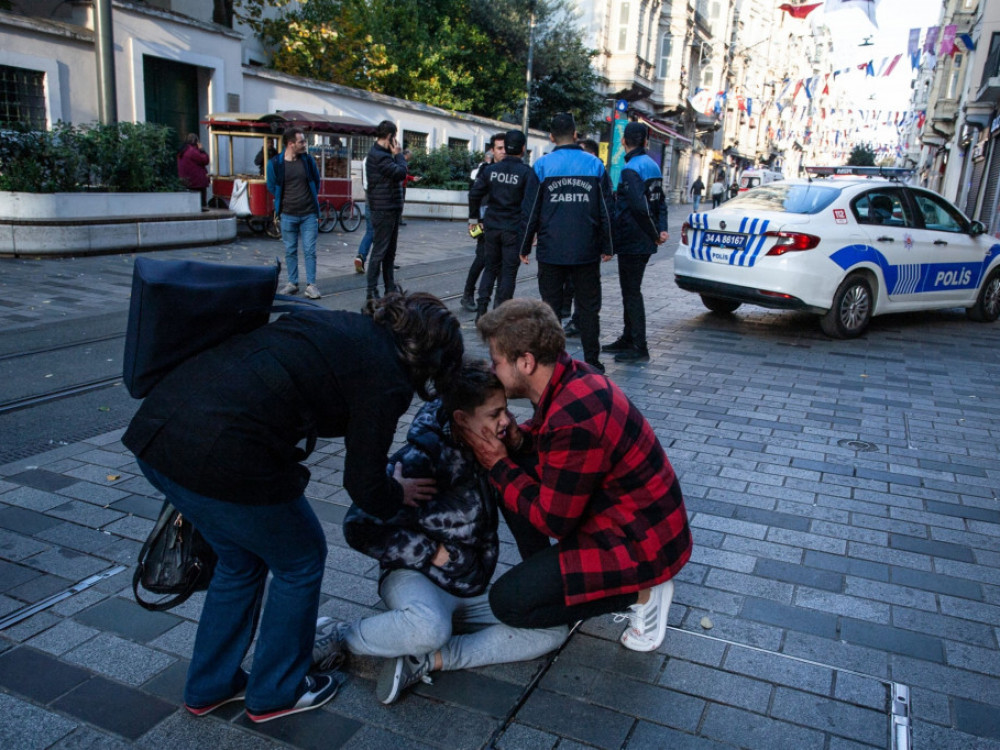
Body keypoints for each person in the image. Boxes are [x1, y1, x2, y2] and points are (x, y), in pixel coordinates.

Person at [122, 292, 463, 723]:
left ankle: (210, 686)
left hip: (159, 431)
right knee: (300, 559)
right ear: (432, 357)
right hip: (223, 453)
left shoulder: (341, 325)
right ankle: (276, 691)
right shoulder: (387, 376)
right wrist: (397, 493)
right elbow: (363, 486)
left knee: (240, 560)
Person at [311, 361, 567, 704]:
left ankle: (429, 658)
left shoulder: (492, 448)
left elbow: (530, 506)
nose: (506, 420)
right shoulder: (424, 456)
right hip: (416, 577)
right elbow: (358, 526)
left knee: (551, 626)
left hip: (466, 583)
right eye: (495, 414)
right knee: (429, 627)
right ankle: (340, 636)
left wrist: (516, 450)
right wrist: (428, 551)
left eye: (506, 409)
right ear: (461, 418)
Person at [459, 299, 692, 653]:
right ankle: (544, 577)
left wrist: (498, 463)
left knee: (508, 603)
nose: (493, 371)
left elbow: (555, 521)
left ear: (526, 361)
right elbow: (551, 444)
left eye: (497, 362)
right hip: (632, 517)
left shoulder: (573, 416)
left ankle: (643, 593)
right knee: (510, 471)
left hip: (642, 542)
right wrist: (519, 442)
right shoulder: (572, 377)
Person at [519, 113, 613, 373]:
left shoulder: (542, 166)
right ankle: (592, 361)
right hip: (586, 250)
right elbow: (606, 208)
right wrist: (608, 246)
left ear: (551, 137)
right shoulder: (595, 165)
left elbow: (530, 211)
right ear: (576, 134)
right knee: (589, 307)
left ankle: (551, 361)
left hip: (551, 250)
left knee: (549, 308)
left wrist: (524, 246)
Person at [602, 122, 668, 364]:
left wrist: (653, 232)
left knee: (631, 292)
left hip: (633, 238)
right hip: (643, 239)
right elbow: (660, 202)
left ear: (623, 141)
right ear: (646, 142)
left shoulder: (631, 169)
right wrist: (660, 229)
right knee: (630, 290)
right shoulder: (652, 165)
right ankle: (628, 338)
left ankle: (639, 345)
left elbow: (639, 208)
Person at [468, 130, 535, 318]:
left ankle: (481, 310)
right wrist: (531, 233)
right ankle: (501, 313)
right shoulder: (526, 173)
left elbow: (474, 194)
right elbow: (530, 205)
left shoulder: (490, 170)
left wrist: (474, 220)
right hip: (513, 229)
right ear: (523, 149)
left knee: (490, 267)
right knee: (508, 272)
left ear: (506, 146)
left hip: (491, 226)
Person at [266, 127, 322, 300]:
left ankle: (311, 285)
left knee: (309, 250)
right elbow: (271, 186)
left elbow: (316, 182)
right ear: (291, 144)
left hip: (308, 214)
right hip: (288, 214)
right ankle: (292, 283)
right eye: (302, 142)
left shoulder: (308, 161)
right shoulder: (276, 163)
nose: (305, 144)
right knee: (290, 250)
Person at [365, 120, 409, 305]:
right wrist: (399, 156)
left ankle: (389, 288)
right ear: (390, 136)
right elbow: (400, 172)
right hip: (383, 209)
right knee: (380, 251)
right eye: (395, 137)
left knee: (389, 252)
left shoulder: (381, 154)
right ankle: (371, 290)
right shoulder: (379, 156)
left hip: (389, 208)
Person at [461, 134, 504, 312]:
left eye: (505, 148)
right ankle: (468, 294)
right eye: (499, 148)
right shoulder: (486, 170)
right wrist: (475, 220)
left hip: (502, 223)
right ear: (492, 150)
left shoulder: (512, 169)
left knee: (498, 263)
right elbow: (477, 196)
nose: (503, 151)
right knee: (482, 259)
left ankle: (498, 301)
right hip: (485, 222)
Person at [177, 133, 210, 207]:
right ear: (196, 142)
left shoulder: (182, 150)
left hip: (186, 181)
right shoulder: (192, 151)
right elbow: (205, 160)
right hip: (197, 182)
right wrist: (202, 150)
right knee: (201, 204)